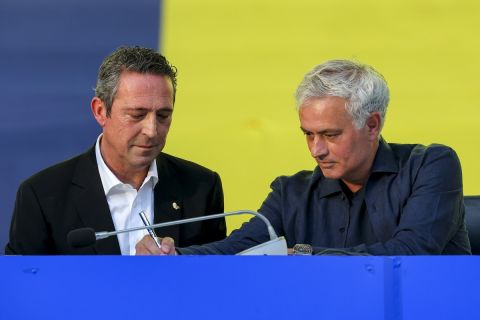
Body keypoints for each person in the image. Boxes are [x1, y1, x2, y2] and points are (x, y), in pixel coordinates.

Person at [136, 59, 471, 256]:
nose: (316, 149)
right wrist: (175, 255)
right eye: (308, 134)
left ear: (372, 125)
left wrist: (307, 255)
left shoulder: (430, 166)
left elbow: (410, 253)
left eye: (330, 134)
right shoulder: (291, 193)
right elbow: (238, 249)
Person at [5, 46, 226, 255]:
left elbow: (216, 281)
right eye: (137, 115)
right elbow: (23, 287)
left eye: (163, 115)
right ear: (100, 111)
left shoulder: (201, 188)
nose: (151, 130)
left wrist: (179, 260)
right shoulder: (42, 196)